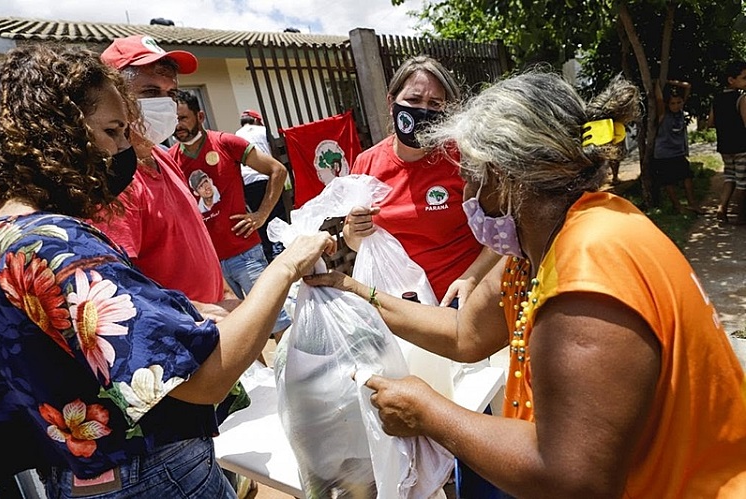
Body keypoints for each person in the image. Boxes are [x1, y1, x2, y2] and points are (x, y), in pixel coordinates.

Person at [305, 70, 746, 497]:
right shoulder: (539, 249)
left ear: (504, 177)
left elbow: (573, 479)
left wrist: (428, 412)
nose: (463, 187)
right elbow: (464, 333)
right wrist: (356, 291)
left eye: (470, 174)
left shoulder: (588, 270)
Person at [0, 44, 335, 499]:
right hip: (149, 474)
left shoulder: (10, 234)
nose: (121, 147)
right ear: (58, 132)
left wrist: (183, 309)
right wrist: (288, 263)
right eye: (113, 130)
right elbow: (205, 380)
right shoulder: (58, 247)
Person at [343, 55, 499, 307]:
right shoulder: (366, 164)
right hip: (401, 304)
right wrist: (355, 230)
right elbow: (353, 240)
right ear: (392, 102)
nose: (422, 110)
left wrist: (470, 278)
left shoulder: (464, 158)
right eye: (413, 100)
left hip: (462, 298)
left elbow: (501, 229)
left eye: (434, 103)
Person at [92, 34, 228, 312]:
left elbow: (195, 240)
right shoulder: (116, 182)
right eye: (151, 93)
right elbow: (119, 287)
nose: (167, 105)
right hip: (181, 339)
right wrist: (198, 311)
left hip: (218, 323)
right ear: (114, 98)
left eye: (172, 94)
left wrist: (224, 293)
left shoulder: (163, 157)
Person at [169, 91, 291, 343]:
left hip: (246, 252)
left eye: (182, 117)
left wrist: (261, 215)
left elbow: (276, 170)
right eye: (172, 119)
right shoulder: (171, 160)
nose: (177, 125)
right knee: (236, 335)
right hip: (211, 266)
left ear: (200, 116)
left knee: (277, 323)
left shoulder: (225, 142)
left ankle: (298, 378)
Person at [235, 109, 288, 261]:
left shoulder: (236, 135)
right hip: (267, 178)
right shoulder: (263, 131)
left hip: (247, 184)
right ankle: (280, 253)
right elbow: (276, 156)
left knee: (260, 220)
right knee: (276, 217)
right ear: (257, 121)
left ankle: (268, 254)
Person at [652, 78, 702, 214]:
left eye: (679, 102)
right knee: (669, 182)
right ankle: (677, 206)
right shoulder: (663, 115)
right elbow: (659, 99)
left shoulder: (680, 113)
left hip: (678, 152)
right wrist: (657, 83)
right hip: (664, 154)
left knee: (687, 177)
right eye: (673, 103)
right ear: (668, 104)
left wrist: (669, 81)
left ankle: (693, 204)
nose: (677, 105)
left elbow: (688, 86)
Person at [708, 60, 746, 224]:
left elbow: (710, 122)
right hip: (741, 147)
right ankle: (741, 214)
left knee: (730, 177)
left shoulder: (717, 98)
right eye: (744, 78)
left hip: (725, 146)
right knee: (743, 182)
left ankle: (721, 209)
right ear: (732, 80)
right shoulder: (742, 98)